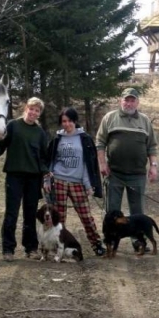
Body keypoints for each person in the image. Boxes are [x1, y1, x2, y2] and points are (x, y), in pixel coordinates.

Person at [95, 87, 158, 252]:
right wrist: (102, 164)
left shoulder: (144, 120)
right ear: (120, 101)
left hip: (137, 175)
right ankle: (108, 241)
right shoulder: (110, 118)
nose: (129, 103)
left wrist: (153, 166)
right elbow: (100, 142)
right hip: (114, 173)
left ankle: (138, 241)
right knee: (111, 211)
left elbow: (151, 146)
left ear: (137, 102)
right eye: (126, 100)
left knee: (137, 212)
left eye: (132, 100)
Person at [0, 97, 49, 262]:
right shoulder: (13, 126)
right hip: (14, 176)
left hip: (33, 178)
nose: (33, 112)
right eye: (31, 109)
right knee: (11, 213)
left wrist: (46, 173)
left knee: (30, 214)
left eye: (37, 111)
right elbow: (2, 144)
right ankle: (8, 249)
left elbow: (43, 158)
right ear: (26, 109)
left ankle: (31, 248)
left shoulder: (40, 133)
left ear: (39, 114)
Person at [46, 108, 106, 257]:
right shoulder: (57, 140)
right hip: (59, 181)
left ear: (75, 121)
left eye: (70, 121)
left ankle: (96, 244)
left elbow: (87, 165)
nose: (67, 124)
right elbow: (50, 162)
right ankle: (58, 246)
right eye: (64, 121)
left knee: (86, 216)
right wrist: (47, 180)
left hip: (77, 183)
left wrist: (89, 185)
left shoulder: (84, 139)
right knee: (59, 218)